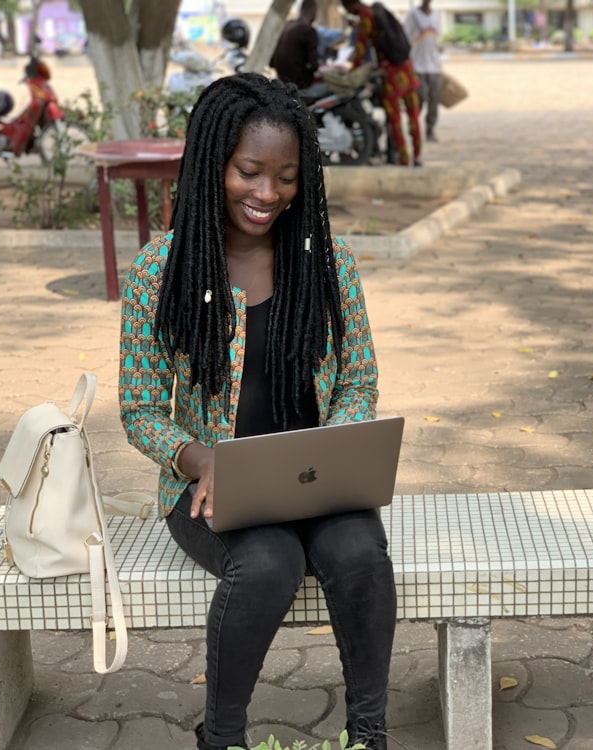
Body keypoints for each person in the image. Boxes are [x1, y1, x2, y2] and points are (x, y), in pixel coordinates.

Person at [118, 74, 396, 750]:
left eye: (287, 177)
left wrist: (337, 443)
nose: (268, 193)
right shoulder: (164, 269)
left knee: (360, 551)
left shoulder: (327, 265)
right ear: (214, 161)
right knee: (268, 564)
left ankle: (369, 734)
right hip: (211, 491)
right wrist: (198, 457)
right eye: (249, 171)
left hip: (315, 482)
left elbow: (358, 379)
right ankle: (222, 737)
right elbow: (141, 407)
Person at [341, 0, 422, 166]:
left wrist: (353, 72)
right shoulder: (379, 10)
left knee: (395, 119)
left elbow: (361, 48)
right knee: (413, 116)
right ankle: (418, 156)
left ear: (348, 5)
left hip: (392, 75)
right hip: (407, 69)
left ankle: (404, 159)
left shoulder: (365, 16)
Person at [402, 0, 441, 143]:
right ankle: (413, 126)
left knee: (434, 101)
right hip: (417, 65)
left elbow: (437, 39)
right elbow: (406, 37)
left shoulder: (436, 15)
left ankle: (430, 130)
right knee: (421, 97)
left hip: (434, 66)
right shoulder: (412, 15)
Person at [270, 0, 320, 89]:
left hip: (281, 79)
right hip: (299, 84)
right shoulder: (308, 31)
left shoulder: (286, 26)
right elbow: (314, 65)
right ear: (313, 11)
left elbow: (272, 62)